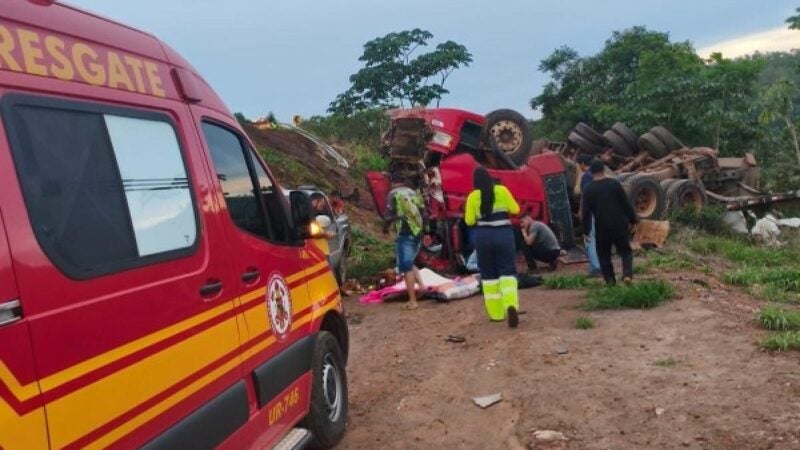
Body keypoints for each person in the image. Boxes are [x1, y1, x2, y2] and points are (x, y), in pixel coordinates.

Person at [465, 167, 521, 327]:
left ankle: (496, 315)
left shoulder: (473, 197)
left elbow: (469, 221)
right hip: (504, 235)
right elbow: (516, 209)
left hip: (483, 237)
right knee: (507, 271)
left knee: (489, 275)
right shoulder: (502, 190)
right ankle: (510, 304)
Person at [581, 159, 638, 285]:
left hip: (602, 227)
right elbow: (625, 203)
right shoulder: (614, 184)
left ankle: (610, 281)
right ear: (604, 169)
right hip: (619, 224)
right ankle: (627, 274)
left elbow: (585, 213)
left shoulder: (588, 189)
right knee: (625, 251)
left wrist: (586, 231)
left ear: (591, 171)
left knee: (604, 255)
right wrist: (633, 220)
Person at [383, 172, 426, 310]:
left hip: (405, 232)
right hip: (418, 230)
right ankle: (422, 287)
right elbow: (423, 211)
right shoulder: (413, 193)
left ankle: (412, 301)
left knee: (406, 267)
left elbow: (389, 215)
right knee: (410, 262)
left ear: (393, 182)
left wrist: (386, 227)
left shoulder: (393, 194)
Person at [577, 154, 601, 277]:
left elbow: (585, 196)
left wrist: (582, 211)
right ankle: (601, 265)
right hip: (601, 212)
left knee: (589, 239)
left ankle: (595, 267)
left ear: (582, 164)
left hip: (591, 212)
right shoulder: (598, 175)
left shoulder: (586, 177)